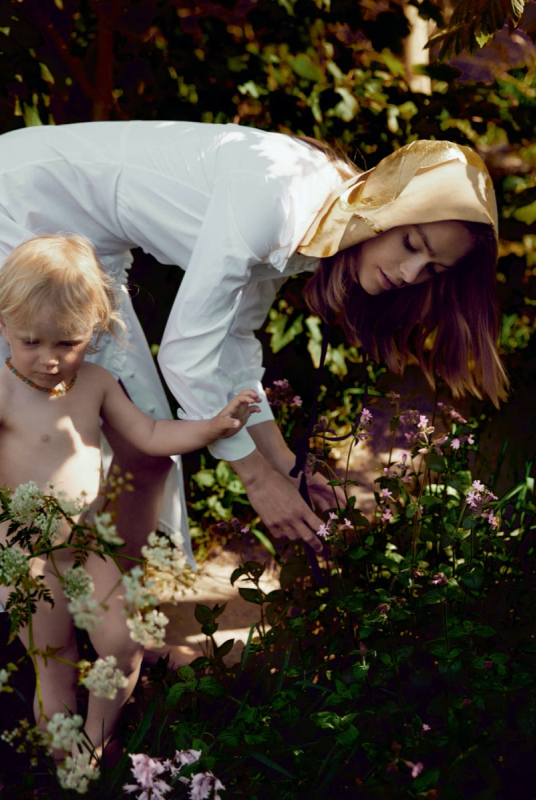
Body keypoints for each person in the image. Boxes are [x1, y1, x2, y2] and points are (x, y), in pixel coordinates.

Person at [0, 121, 507, 560]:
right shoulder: (280, 198)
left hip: (84, 244)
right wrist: (256, 479)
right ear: (386, 208)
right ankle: (41, 624)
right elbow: (187, 355)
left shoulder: (319, 219)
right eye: (412, 244)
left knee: (148, 447)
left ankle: (117, 626)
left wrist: (288, 466)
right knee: (33, 433)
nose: (413, 272)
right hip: (19, 202)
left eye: (433, 268)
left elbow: (234, 342)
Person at [0, 233, 261, 758]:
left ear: (92, 333)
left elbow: (149, 437)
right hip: (27, 555)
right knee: (55, 661)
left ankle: (101, 734)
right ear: (3, 324)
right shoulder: (3, 390)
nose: (50, 359)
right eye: (31, 342)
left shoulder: (94, 383)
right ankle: (64, 764)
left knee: (122, 641)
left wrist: (212, 427)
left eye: (66, 343)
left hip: (92, 543)